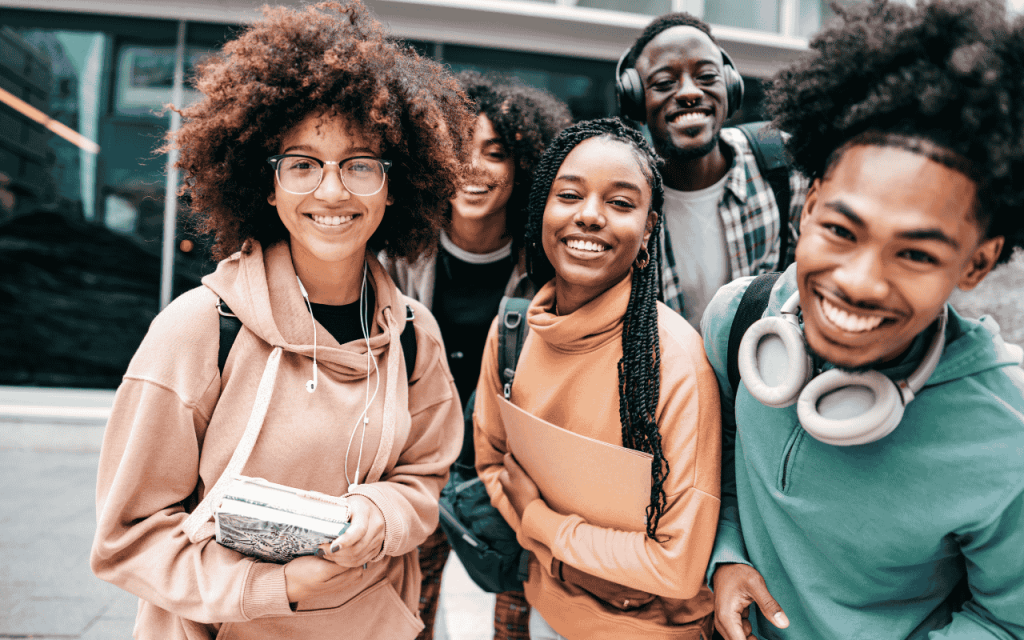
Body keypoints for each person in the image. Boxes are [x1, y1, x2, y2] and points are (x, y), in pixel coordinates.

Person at [89, 3, 470, 638]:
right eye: (302, 164)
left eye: (360, 163)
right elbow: (126, 538)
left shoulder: (412, 334)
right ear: (267, 187)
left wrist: (379, 515)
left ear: (393, 185)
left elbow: (424, 480)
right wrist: (278, 587)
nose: (331, 191)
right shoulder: (200, 330)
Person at [700, 2, 1024, 639]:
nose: (859, 282)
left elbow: (1007, 621)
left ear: (978, 263)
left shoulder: (1005, 431)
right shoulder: (736, 320)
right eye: (842, 230)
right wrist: (726, 555)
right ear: (809, 204)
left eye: (915, 253)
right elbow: (719, 461)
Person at [474, 118, 723, 640]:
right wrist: (576, 561)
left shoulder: (676, 364)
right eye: (569, 195)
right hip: (546, 613)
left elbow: (677, 568)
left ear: (651, 226)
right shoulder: (512, 332)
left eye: (620, 203)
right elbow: (493, 463)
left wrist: (541, 525)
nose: (589, 216)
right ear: (542, 206)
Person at [385, 70, 572, 640]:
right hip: (417, 465)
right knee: (406, 616)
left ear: (523, 168)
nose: (474, 167)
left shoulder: (544, 265)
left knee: (514, 621)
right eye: (460, 149)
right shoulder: (398, 253)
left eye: (495, 153)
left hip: (509, 472)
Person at [620, 13, 810, 329]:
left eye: (707, 76)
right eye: (665, 83)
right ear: (636, 99)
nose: (689, 93)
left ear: (731, 86)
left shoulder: (784, 164)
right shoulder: (623, 195)